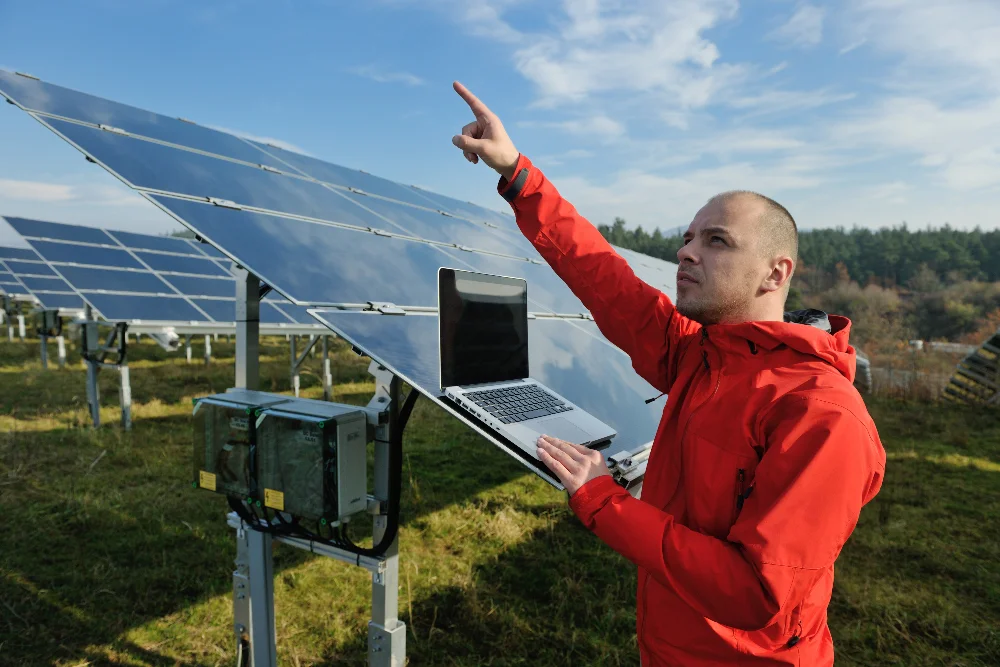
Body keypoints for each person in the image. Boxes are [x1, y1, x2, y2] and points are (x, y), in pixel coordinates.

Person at [450, 81, 886, 666]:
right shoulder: (700, 355)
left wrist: (605, 502)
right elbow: (601, 272)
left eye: (716, 241)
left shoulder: (819, 414)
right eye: (686, 238)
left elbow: (757, 591)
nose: (686, 252)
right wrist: (519, 174)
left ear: (775, 273)